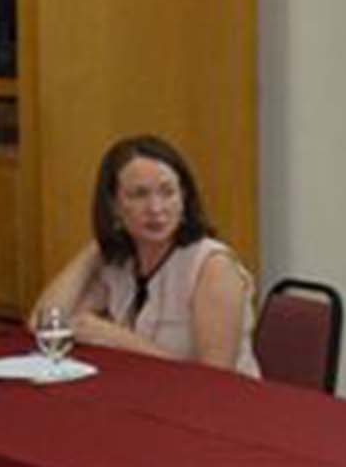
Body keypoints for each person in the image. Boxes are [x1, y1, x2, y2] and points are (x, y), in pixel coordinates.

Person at [31, 134, 259, 376]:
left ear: (184, 198)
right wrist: (96, 247)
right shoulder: (121, 262)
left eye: (168, 192)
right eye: (139, 195)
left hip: (215, 407)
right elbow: (43, 325)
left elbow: (216, 379)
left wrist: (119, 340)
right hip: (147, 395)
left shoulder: (213, 266)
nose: (156, 209)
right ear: (114, 205)